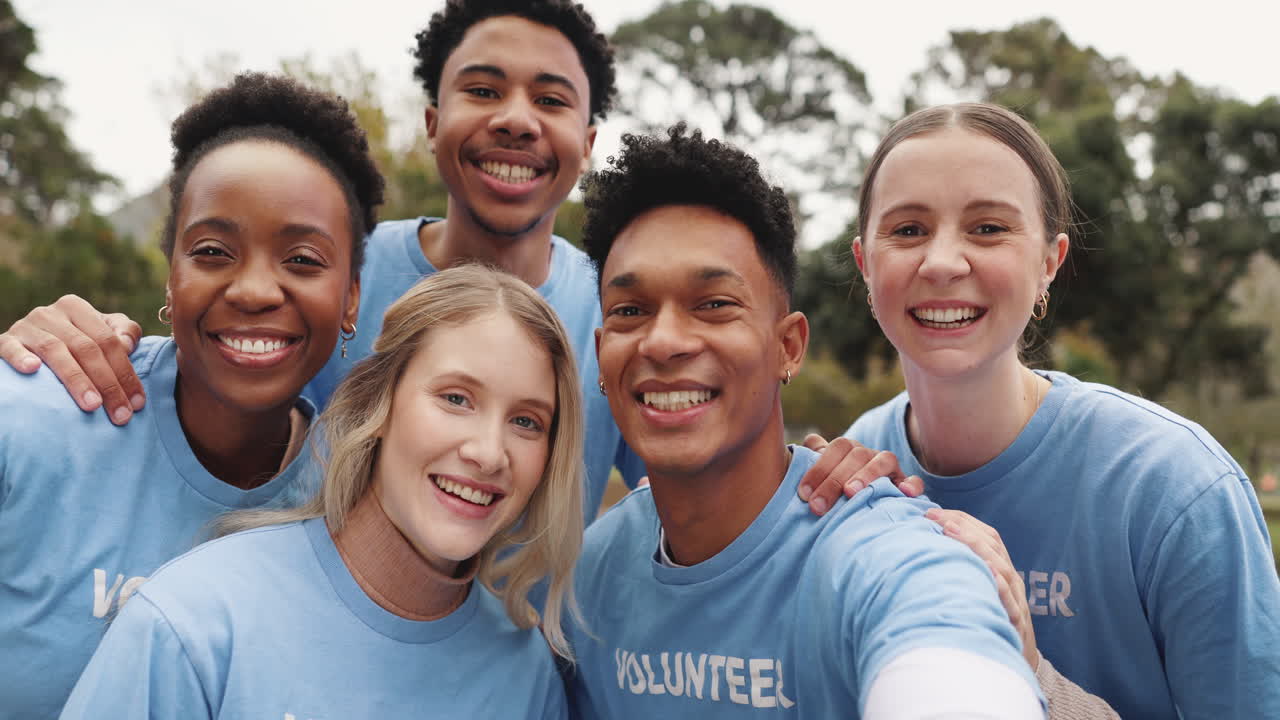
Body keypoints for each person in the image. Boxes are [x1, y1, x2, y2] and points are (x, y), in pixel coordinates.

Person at [0, 0, 890, 520]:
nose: (514, 118)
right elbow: (220, 393)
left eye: (550, 98)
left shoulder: (623, 316)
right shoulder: (328, 281)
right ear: (432, 124)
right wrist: (65, 342)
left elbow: (703, 478)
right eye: (481, 88)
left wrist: (822, 477)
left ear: (584, 141)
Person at [565, 124, 1044, 719]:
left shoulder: (887, 554)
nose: (662, 342)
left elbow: (943, 649)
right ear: (601, 352)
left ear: (788, 346)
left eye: (714, 305)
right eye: (630, 311)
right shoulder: (590, 576)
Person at [822, 101, 1278, 718]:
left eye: (988, 228)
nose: (942, 262)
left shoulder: (1178, 489)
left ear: (1049, 263)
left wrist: (1032, 674)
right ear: (865, 266)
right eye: (907, 230)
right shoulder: (855, 478)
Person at [0, 72, 385, 718]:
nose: (255, 290)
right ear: (172, 276)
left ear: (350, 298)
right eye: (213, 251)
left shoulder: (360, 505)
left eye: (302, 260)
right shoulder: (34, 416)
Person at [60, 265, 581, 718]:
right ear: (381, 403)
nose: (489, 453)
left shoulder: (526, 675)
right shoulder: (194, 621)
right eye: (456, 398)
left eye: (527, 421)